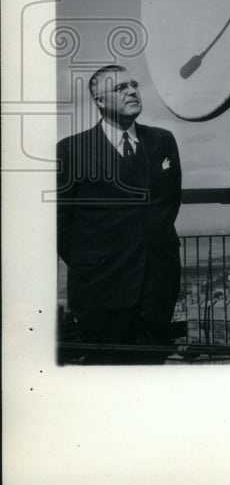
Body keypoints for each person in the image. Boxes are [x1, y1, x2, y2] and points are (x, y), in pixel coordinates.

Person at [57, 64, 182, 363]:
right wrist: (93, 265)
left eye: (134, 85)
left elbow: (169, 205)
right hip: (101, 291)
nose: (132, 92)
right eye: (120, 88)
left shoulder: (162, 141)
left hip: (157, 288)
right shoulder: (72, 150)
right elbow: (61, 224)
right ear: (100, 101)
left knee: (150, 376)